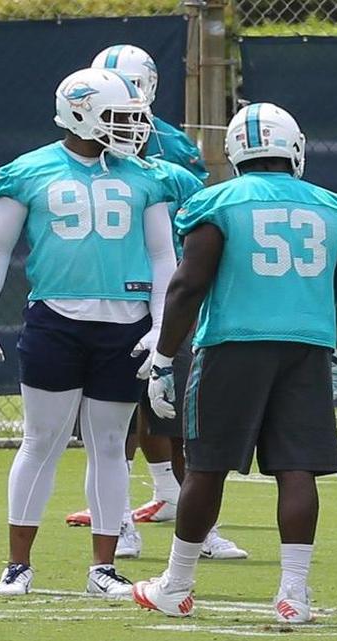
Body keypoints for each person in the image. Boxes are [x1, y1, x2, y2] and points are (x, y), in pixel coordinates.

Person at [132, 102, 337, 623]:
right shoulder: (334, 207)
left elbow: (188, 284)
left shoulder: (215, 203)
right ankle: (293, 595)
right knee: (296, 468)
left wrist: (165, 355)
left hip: (232, 347)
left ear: (234, 152)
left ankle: (177, 585)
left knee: (207, 467)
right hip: (306, 348)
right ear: (296, 148)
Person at [0, 68, 176, 597]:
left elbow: (162, 256)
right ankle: (18, 565)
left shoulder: (145, 175)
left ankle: (103, 568)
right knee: (42, 441)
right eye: (120, 117)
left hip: (125, 326)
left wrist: (161, 327)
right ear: (81, 112)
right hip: (56, 321)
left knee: (108, 443)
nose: (133, 127)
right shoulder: (28, 171)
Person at [63, 147, 246, 562]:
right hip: (111, 310)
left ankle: (200, 529)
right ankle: (118, 521)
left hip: (166, 310)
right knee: (114, 429)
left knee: (178, 421)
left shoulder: (172, 177)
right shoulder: (73, 175)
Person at [92, 44, 208, 182]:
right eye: (108, 86)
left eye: (130, 84)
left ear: (150, 85)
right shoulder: (81, 135)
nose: (120, 93)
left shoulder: (172, 146)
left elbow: (192, 198)